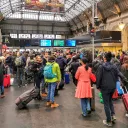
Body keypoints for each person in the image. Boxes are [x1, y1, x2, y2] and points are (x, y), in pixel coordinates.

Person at [96, 52, 127, 127]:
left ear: (105, 58)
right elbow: (119, 73)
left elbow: (99, 77)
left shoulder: (101, 67)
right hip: (113, 87)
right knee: (110, 101)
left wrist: (98, 86)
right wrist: (125, 79)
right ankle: (113, 116)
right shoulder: (114, 66)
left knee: (106, 103)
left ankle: (108, 120)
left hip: (104, 87)